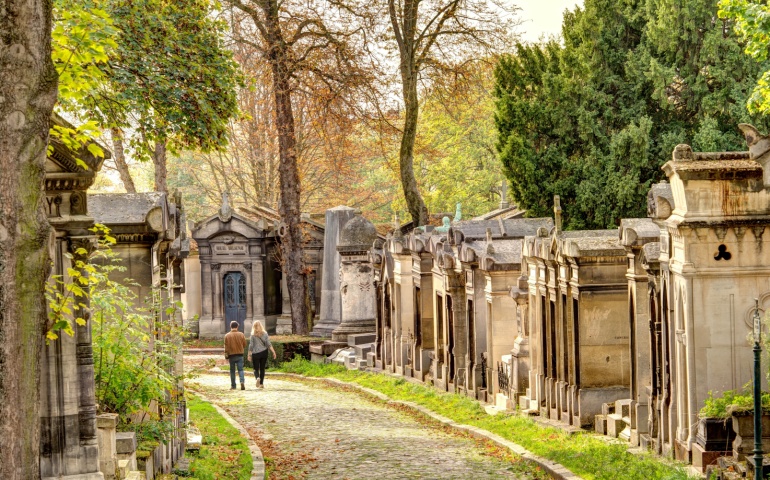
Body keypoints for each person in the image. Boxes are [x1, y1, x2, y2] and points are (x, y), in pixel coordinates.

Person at [249, 320, 276, 389]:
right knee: (262, 368)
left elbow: (251, 346)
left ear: (254, 327)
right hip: (264, 352)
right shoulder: (265, 334)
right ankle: (261, 384)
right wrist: (273, 352)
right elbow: (268, 344)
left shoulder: (252, 335)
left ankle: (257, 377)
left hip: (255, 353)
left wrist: (249, 354)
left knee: (255, 369)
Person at [224, 321, 247, 390]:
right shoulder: (241, 334)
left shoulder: (227, 336)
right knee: (240, 370)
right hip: (240, 354)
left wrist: (226, 354)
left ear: (230, 326)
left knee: (232, 371)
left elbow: (226, 347)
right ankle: (242, 381)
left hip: (231, 355)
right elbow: (245, 344)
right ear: (237, 327)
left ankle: (233, 385)